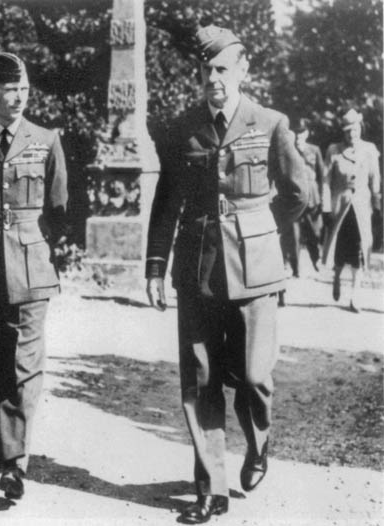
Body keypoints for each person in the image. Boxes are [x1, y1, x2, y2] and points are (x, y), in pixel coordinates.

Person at [145, 26, 307, 523]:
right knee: (201, 378)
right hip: (197, 268)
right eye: (206, 70)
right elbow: (167, 202)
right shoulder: (181, 129)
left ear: (242, 70)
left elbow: (299, 194)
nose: (213, 79)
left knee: (255, 376)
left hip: (255, 271)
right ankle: (210, 488)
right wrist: (156, 267)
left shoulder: (271, 123)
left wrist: (259, 229)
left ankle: (259, 447)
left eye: (222, 69)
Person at [0, 52, 68, 500]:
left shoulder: (46, 140)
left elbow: (60, 210)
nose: (19, 97)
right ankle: (3, 439)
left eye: (24, 89)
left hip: (31, 268)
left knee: (24, 364)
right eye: (9, 89)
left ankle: (14, 465)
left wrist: (37, 250)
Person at [322, 108, 381, 313]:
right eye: (348, 131)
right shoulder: (334, 150)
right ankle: (337, 277)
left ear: (360, 128)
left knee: (360, 248)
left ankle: (355, 296)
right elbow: (325, 181)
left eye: (355, 130)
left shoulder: (370, 149)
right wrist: (326, 208)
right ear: (343, 132)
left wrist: (377, 206)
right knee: (340, 248)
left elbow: (375, 180)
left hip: (362, 208)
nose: (352, 134)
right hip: (340, 208)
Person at [280, 117, 325, 277]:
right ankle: (296, 268)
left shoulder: (314, 150)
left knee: (314, 232)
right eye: (296, 132)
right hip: (294, 197)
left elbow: (321, 176)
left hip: (312, 197)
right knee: (294, 233)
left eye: (302, 132)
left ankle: (316, 260)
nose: (299, 135)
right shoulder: (288, 149)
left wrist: (323, 200)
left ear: (308, 133)